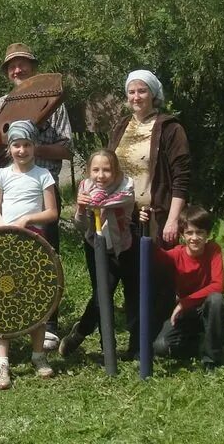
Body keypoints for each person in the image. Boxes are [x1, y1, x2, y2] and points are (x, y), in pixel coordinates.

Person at [0, 42, 72, 350]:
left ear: (33, 67)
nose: (18, 69)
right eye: (12, 66)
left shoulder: (53, 102)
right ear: (6, 72)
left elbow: (67, 149)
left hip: (42, 193)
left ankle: (47, 325)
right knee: (7, 264)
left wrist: (30, 149)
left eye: (23, 64)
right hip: (7, 197)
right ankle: (9, 319)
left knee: (45, 261)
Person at [108, 69, 190, 358]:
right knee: (133, 281)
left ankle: (162, 340)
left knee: (159, 279)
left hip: (157, 217)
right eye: (131, 91)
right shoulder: (122, 126)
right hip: (125, 218)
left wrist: (173, 219)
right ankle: (136, 343)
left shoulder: (170, 128)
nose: (136, 96)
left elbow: (181, 177)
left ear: (154, 94)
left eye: (142, 91)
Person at [0, 119, 59, 389]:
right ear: (9, 148)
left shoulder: (44, 175)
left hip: (34, 242)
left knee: (35, 297)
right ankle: (2, 362)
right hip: (6, 242)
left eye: (27, 144)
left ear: (34, 146)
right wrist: (2, 226)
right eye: (16, 145)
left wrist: (28, 219)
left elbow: (52, 212)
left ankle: (38, 355)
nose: (22, 150)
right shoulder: (1, 176)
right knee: (4, 295)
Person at [60, 150, 136, 357]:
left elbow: (113, 201)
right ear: (89, 171)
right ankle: (107, 350)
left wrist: (91, 202)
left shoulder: (126, 186)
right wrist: (80, 208)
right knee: (103, 293)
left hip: (123, 247)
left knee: (117, 293)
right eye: (95, 170)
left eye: (106, 170)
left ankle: (81, 331)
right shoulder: (86, 186)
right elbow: (80, 225)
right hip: (95, 245)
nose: (100, 175)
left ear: (116, 170)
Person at [144, 204, 224, 371]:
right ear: (182, 235)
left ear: (207, 234)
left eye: (200, 232)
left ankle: (211, 360)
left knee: (217, 300)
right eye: (189, 233)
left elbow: (218, 285)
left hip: (205, 309)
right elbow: (154, 255)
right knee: (161, 346)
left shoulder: (213, 250)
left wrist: (184, 302)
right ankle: (197, 342)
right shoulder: (177, 254)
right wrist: (151, 228)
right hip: (184, 314)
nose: (194, 238)